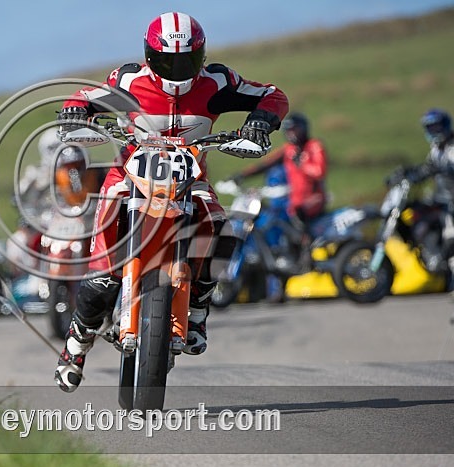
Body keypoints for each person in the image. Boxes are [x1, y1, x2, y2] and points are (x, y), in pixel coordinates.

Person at [54, 11, 288, 392]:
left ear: (202, 56)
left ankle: (197, 309)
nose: (177, 71)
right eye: (167, 62)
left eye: (186, 61)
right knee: (101, 275)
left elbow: (273, 95)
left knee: (222, 233)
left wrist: (261, 120)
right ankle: (76, 346)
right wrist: (74, 113)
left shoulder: (218, 81)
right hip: (128, 178)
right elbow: (82, 97)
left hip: (191, 181)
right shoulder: (127, 80)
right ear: (149, 57)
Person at [405, 109, 454, 297]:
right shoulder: (436, 148)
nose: (434, 131)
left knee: (453, 237)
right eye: (430, 127)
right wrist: (409, 174)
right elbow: (427, 168)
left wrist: (442, 167)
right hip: (440, 200)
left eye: (437, 127)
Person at [231, 112, 328, 225]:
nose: (292, 134)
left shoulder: (314, 146)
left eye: (295, 130)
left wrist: (302, 164)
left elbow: (320, 171)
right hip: (294, 201)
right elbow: (266, 164)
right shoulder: (289, 149)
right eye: (289, 131)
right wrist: (243, 175)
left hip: (312, 199)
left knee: (300, 220)